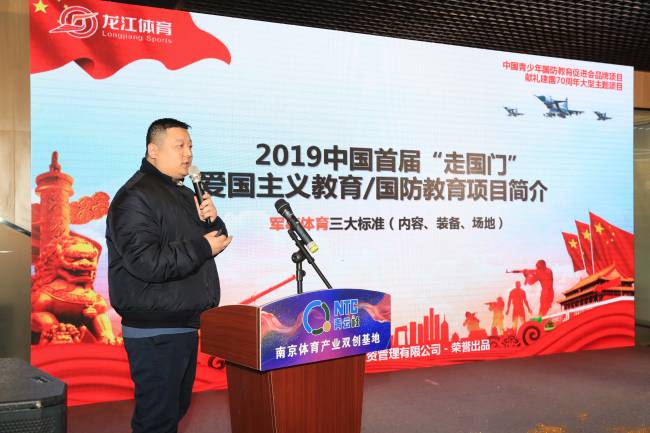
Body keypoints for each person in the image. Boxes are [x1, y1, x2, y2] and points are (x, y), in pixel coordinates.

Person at [106, 118, 232, 433]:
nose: (188, 153)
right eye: (179, 146)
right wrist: (202, 246)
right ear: (153, 150)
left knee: (173, 413)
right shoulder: (135, 197)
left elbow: (212, 243)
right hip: (154, 331)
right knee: (157, 421)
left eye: (190, 146)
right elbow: (145, 262)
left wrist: (213, 221)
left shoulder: (183, 194)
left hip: (182, 323)